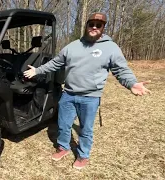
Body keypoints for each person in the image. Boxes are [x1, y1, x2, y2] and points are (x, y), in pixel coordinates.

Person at [23, 12, 151, 169]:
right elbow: (56, 63)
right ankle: (63, 147)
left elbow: (121, 69)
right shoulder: (72, 46)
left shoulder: (110, 48)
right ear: (87, 25)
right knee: (63, 125)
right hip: (68, 94)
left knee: (85, 129)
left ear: (103, 27)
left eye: (99, 25)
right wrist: (37, 71)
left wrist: (132, 83)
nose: (95, 27)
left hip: (90, 98)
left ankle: (83, 155)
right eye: (92, 24)